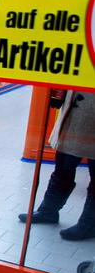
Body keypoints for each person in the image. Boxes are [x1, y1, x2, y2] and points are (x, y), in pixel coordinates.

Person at [18, 91, 95, 241]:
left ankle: (89, 224)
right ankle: (49, 211)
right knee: (63, 166)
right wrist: (57, 94)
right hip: (74, 109)